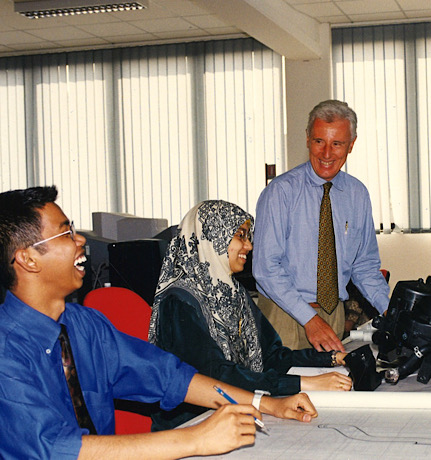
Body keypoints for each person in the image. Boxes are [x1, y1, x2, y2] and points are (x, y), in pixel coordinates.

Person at [0, 186, 317, 459]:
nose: (80, 239)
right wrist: (194, 439)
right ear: (27, 258)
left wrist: (266, 404)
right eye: (66, 232)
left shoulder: (86, 326)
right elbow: (54, 450)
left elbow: (170, 377)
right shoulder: (6, 351)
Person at [149, 200, 353, 431]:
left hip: (236, 409)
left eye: (248, 237)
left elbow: (272, 356)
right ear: (213, 236)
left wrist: (332, 359)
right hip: (192, 424)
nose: (249, 246)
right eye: (240, 236)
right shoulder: (179, 301)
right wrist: (302, 384)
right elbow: (216, 375)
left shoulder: (233, 293)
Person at [253, 99, 390, 352]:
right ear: (307, 138)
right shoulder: (280, 193)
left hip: (333, 316)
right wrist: (309, 319)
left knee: (332, 389)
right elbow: (266, 269)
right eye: (319, 141)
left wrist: (390, 311)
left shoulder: (357, 194)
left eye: (336, 144)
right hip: (284, 314)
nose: (326, 154)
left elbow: (365, 266)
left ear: (351, 145)